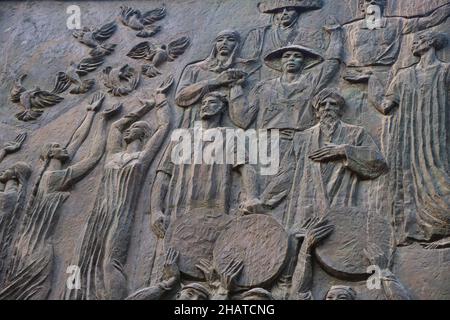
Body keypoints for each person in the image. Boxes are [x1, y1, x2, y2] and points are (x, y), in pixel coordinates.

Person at [66, 81, 172, 300]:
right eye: (130, 127)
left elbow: (163, 127)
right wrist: (142, 109)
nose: (128, 130)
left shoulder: (141, 158)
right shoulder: (113, 155)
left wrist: (160, 100)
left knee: (110, 262)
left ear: (143, 135)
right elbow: (116, 127)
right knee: (78, 261)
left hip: (121, 214)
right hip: (98, 215)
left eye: (135, 128)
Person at [0, 92, 112, 300]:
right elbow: (93, 157)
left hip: (24, 248)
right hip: (36, 249)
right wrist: (102, 124)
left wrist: (90, 113)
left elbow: (77, 140)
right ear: (51, 154)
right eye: (58, 147)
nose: (64, 147)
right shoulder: (53, 179)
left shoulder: (48, 176)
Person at [233, 24, 343, 221]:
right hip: (267, 142)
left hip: (300, 142)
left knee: (292, 186)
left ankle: (264, 207)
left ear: (304, 61)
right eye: (286, 56)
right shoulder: (263, 87)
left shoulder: (311, 82)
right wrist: (235, 89)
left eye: (297, 56)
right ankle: (254, 207)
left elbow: (332, 64)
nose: (291, 59)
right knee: (250, 165)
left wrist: (335, 35)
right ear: (280, 62)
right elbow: (242, 119)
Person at [374, 31, 450, 247]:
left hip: (438, 137)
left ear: (431, 42)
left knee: (439, 175)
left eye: (419, 40)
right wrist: (371, 82)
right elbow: (386, 106)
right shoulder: (403, 76)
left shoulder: (445, 71)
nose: (414, 43)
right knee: (408, 182)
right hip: (409, 138)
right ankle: (416, 231)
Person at [151, 92, 259, 240]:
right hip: (178, 213)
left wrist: (252, 197)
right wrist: (156, 210)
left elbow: (245, 166)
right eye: (203, 103)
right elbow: (163, 175)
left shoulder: (229, 135)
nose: (206, 105)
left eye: (212, 102)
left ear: (222, 108)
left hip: (214, 212)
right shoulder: (181, 137)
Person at [342, 0, 450, 108]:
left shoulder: (397, 23)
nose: (373, 2)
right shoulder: (347, 29)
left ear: (383, 4)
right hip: (353, 76)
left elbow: (430, 20)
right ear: (361, 6)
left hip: (385, 73)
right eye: (368, 0)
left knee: (387, 108)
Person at [175, 30, 256, 129]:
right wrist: (216, 81)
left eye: (230, 39)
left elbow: (245, 117)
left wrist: (236, 86)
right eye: (220, 40)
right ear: (215, 44)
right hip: (194, 127)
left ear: (237, 45)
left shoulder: (246, 68)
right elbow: (180, 98)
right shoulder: (194, 69)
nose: (224, 42)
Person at [0, 162, 31, 285]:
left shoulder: (9, 196)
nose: (3, 171)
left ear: (14, 176)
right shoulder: (12, 195)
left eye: (9, 169)